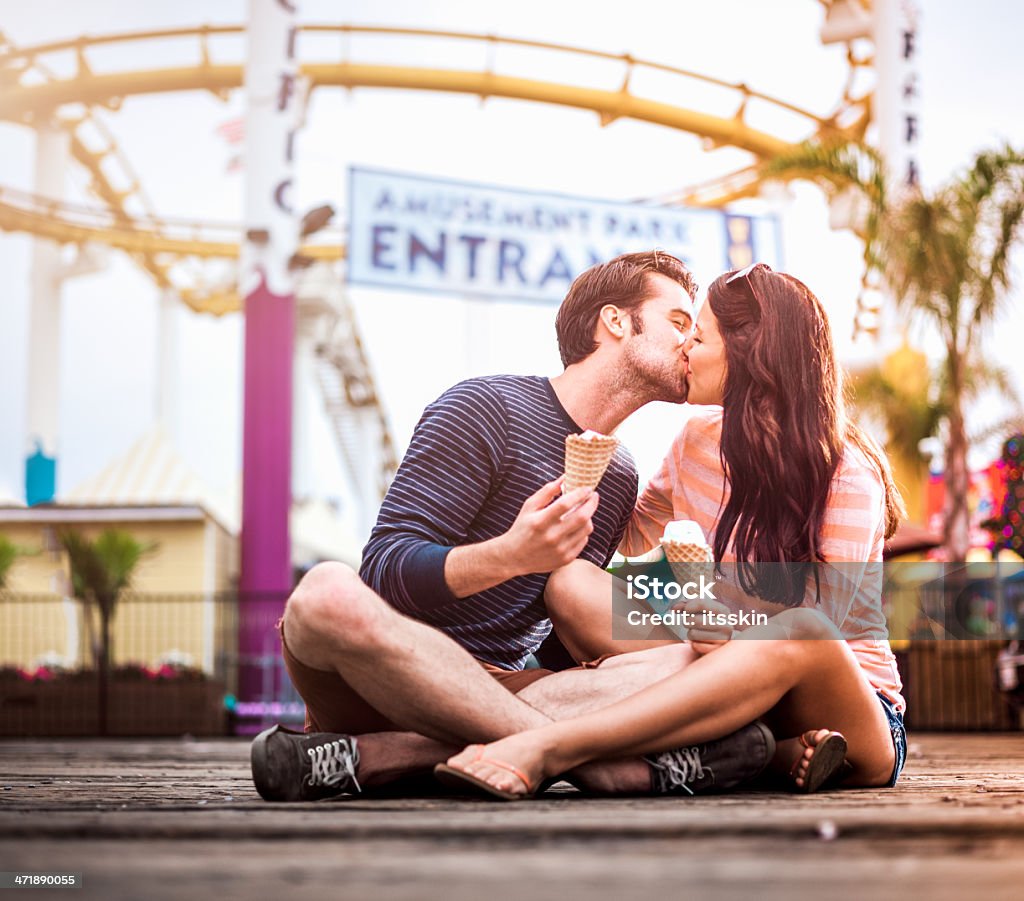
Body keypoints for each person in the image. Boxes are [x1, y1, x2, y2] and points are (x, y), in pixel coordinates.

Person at [251, 251, 774, 802]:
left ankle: (389, 755)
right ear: (617, 321)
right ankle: (599, 769)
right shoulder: (486, 407)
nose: (691, 342)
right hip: (382, 672)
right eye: (678, 322)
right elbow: (383, 568)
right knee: (323, 594)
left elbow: (552, 638)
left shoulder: (619, 476)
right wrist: (510, 554)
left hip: (502, 686)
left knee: (692, 658)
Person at [439, 262, 909, 798]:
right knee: (570, 582)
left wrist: (721, 618)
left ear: (750, 351)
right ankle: (759, 753)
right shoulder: (695, 442)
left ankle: (553, 745)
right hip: (718, 668)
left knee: (801, 629)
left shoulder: (845, 471)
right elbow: (630, 537)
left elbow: (824, 619)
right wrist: (563, 491)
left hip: (846, 703)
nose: (685, 347)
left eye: (699, 335)